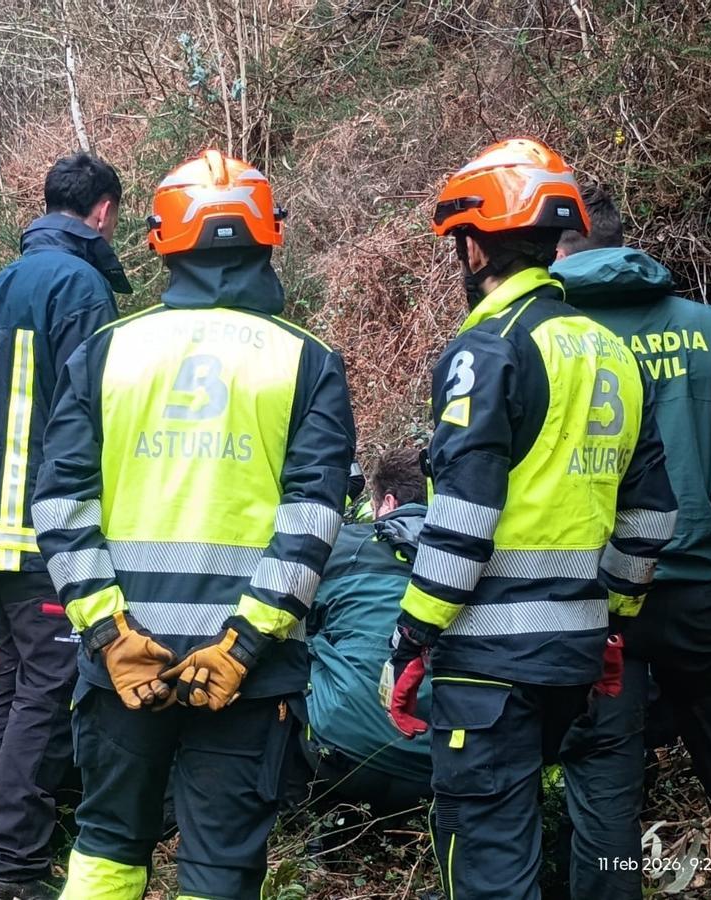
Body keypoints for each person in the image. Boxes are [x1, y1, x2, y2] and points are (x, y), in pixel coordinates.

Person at [34, 149, 358, 900]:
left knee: (109, 844)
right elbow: (312, 522)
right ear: (268, 237)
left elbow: (59, 505)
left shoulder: (107, 351)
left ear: (161, 240)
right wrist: (244, 644)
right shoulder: (306, 361)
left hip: (124, 666)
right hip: (244, 674)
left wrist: (109, 635)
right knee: (219, 867)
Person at [378, 138, 677, 900]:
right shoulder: (610, 352)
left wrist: (411, 634)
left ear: (475, 247)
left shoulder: (490, 349)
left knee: (488, 866)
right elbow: (649, 516)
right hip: (575, 659)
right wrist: (612, 616)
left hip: (487, 666)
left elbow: (464, 515)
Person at [551, 183, 711, 892]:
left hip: (591, 596)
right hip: (697, 587)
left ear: (557, 244)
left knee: (604, 779)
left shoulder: (540, 335)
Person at [0, 153, 129, 898]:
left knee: (9, 680)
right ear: (105, 213)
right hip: (45, 524)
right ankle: (14, 866)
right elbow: (96, 412)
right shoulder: (80, 286)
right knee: (48, 690)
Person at [304, 447, 432, 818]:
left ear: (387, 502)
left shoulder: (345, 546)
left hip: (335, 759)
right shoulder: (470, 559)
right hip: (434, 770)